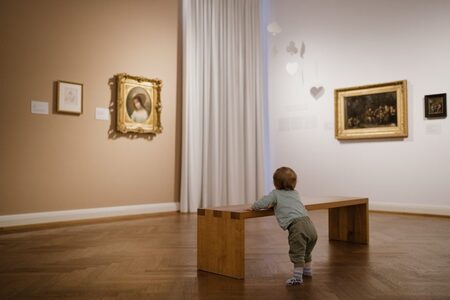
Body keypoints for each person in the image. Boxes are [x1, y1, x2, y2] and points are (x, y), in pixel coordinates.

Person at [251, 167, 318, 286]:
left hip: (297, 227)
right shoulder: (295, 193)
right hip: (310, 224)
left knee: (297, 252)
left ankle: (297, 278)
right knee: (306, 251)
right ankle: (307, 271)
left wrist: (253, 206)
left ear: (275, 183)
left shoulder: (275, 194)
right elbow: (289, 204)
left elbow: (261, 204)